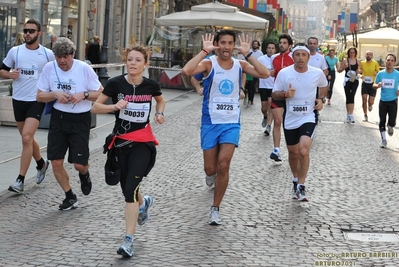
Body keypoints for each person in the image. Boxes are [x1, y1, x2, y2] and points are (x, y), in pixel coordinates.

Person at [182, 30, 269, 225]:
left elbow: (265, 73)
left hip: (231, 123)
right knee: (210, 168)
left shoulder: (240, 65)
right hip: (210, 122)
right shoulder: (209, 63)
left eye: (230, 43)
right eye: (223, 43)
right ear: (216, 45)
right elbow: (187, 71)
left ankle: (215, 208)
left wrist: (248, 54)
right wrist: (204, 51)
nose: (227, 47)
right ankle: (210, 176)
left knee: (223, 165)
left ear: (234, 46)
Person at [91, 45, 165, 257]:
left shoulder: (151, 85)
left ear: (145, 64)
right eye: (130, 59)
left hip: (143, 143)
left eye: (138, 60)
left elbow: (160, 99)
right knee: (128, 186)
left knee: (130, 188)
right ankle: (144, 204)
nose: (133, 63)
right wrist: (114, 107)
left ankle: (128, 240)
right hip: (121, 144)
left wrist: (159, 113)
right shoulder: (116, 83)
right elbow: (95, 107)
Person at [36, 37, 102, 210]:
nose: (62, 61)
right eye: (58, 56)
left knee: (79, 164)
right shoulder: (49, 68)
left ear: (72, 55)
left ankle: (84, 173)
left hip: (80, 119)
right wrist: (55, 94)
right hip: (59, 118)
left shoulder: (83, 68)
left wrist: (84, 95)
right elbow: (39, 96)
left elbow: (102, 94)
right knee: (56, 162)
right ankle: (69, 196)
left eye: (65, 56)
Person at [0, 19, 54, 194]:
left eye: (31, 31)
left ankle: (20, 181)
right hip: (18, 99)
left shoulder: (47, 54)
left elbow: (58, 71)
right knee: (27, 138)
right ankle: (41, 163)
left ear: (39, 33)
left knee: (25, 138)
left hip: (36, 100)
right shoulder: (15, 52)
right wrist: (10, 74)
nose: (28, 33)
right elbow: (2, 70)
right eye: (25, 30)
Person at [272, 43, 328, 201]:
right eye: (297, 55)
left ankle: (302, 186)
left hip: (308, 116)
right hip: (290, 118)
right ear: (293, 56)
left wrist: (320, 99)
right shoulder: (284, 73)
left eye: (304, 55)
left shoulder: (316, 73)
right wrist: (284, 94)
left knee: (303, 151)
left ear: (309, 57)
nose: (301, 58)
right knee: (293, 153)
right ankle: (295, 179)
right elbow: (274, 94)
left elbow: (324, 86)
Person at [269, 33, 294, 161]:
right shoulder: (274, 58)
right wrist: (270, 73)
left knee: (289, 124)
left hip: (291, 96)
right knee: (277, 122)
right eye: (281, 43)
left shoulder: (294, 58)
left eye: (285, 43)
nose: (282, 45)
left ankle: (293, 149)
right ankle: (276, 149)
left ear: (289, 45)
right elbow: (271, 72)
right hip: (277, 93)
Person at [372, 54, 399, 148]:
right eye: (388, 60)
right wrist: (377, 85)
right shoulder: (381, 74)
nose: (389, 62)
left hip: (393, 101)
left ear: (394, 62)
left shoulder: (397, 74)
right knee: (382, 121)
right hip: (383, 101)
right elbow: (374, 85)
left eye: (392, 61)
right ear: (385, 61)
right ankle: (383, 139)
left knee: (392, 121)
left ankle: (391, 126)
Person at [337, 47, 362, 123]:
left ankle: (351, 114)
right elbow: (339, 70)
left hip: (355, 80)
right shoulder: (345, 61)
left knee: (352, 96)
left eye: (353, 52)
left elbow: (361, 70)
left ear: (355, 53)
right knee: (348, 96)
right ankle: (348, 114)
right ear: (348, 53)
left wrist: (359, 72)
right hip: (347, 80)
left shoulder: (358, 61)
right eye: (350, 52)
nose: (352, 54)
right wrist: (344, 67)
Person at [258, 41, 277, 135]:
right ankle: (265, 116)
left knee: (271, 105)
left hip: (273, 86)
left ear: (275, 50)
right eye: (269, 48)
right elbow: (256, 69)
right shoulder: (261, 59)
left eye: (272, 48)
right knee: (264, 107)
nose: (270, 50)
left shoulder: (277, 59)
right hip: (263, 85)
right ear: (266, 49)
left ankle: (269, 126)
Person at [360, 50, 380, 121]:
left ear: (372, 56)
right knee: (364, 100)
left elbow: (378, 71)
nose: (369, 56)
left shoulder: (375, 63)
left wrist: (376, 72)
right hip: (364, 83)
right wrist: (360, 75)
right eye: (367, 54)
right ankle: (365, 115)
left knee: (370, 102)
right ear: (365, 55)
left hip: (372, 84)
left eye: (370, 54)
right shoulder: (362, 63)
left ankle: (370, 105)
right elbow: (358, 71)